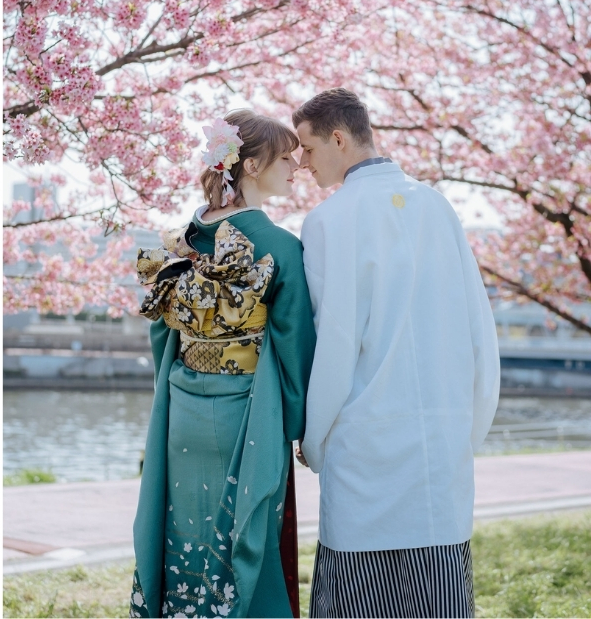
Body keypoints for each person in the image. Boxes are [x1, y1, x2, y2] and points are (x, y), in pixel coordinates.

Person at [293, 88, 500, 618]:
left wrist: (314, 440)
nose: (303, 162)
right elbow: (480, 327)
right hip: (441, 436)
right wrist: (470, 427)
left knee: (360, 595)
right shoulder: (436, 205)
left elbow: (335, 341)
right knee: (440, 596)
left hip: (365, 439)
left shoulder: (327, 221)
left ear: (338, 139)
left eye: (308, 148)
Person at [130, 110, 316, 618]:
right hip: (247, 415)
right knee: (244, 536)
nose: (296, 168)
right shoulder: (278, 246)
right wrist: (299, 424)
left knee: (182, 528)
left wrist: (172, 383)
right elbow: (294, 339)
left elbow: (160, 327)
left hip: (183, 407)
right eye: (285, 158)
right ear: (251, 165)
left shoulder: (185, 240)